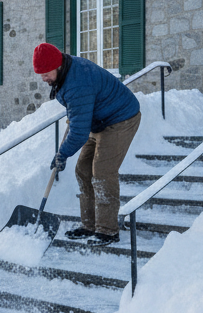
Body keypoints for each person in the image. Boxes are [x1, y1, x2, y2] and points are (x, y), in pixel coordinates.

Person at [32, 42, 141, 245]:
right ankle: (89, 225)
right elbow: (78, 115)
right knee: (83, 170)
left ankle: (108, 230)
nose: (43, 78)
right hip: (99, 119)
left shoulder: (77, 84)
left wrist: (62, 154)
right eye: (40, 74)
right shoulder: (65, 72)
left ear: (57, 66)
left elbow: (80, 133)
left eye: (45, 73)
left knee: (102, 171)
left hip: (121, 118)